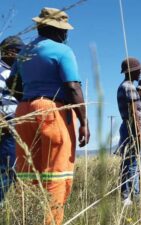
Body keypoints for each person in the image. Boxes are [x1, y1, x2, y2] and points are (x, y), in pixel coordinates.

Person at [7, 7, 90, 225]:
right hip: (52, 110)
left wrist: (26, 99)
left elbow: (10, 83)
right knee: (57, 175)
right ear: (57, 29)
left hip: (24, 110)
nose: (66, 34)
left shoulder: (26, 52)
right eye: (64, 30)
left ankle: (27, 219)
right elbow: (72, 87)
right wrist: (84, 122)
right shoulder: (62, 51)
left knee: (27, 175)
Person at [0, 36, 24, 204]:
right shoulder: (2, 71)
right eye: (19, 52)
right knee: (7, 169)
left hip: (15, 124)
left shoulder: (13, 72)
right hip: (7, 125)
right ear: (9, 51)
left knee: (12, 169)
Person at [117, 57, 141, 206]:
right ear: (131, 71)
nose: (140, 72)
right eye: (137, 69)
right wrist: (139, 133)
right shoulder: (129, 87)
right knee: (131, 164)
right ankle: (130, 198)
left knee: (130, 163)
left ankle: (131, 197)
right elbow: (134, 112)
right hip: (131, 128)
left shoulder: (125, 86)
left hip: (128, 127)